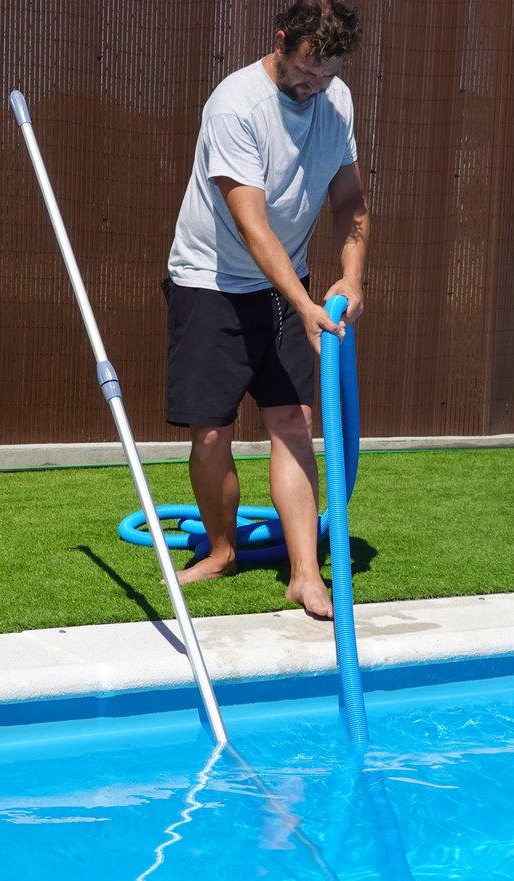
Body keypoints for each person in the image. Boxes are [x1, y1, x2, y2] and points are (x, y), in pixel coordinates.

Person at [163, 0, 370, 620]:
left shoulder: (336, 102)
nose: (317, 85)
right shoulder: (235, 105)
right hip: (211, 281)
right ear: (281, 40)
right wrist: (304, 304)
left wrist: (351, 277)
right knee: (213, 430)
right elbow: (250, 222)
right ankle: (222, 549)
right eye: (309, 69)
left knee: (292, 421)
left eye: (329, 73)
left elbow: (349, 198)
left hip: (290, 284)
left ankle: (306, 574)